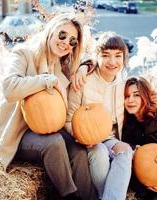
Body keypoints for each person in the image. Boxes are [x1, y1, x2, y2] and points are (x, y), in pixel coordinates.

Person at [0, 13, 98, 200]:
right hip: (18, 132)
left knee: (78, 150)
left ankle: (89, 197)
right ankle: (70, 197)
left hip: (48, 128)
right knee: (55, 143)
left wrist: (85, 66)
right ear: (51, 30)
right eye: (62, 35)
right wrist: (48, 80)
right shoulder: (24, 53)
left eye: (72, 41)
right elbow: (9, 88)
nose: (66, 43)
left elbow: (92, 59)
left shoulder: (63, 64)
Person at [66, 32, 133, 200]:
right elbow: (68, 119)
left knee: (125, 151)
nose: (112, 62)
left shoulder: (121, 82)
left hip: (109, 137)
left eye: (118, 56)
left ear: (124, 58)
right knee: (100, 152)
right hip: (84, 138)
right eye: (106, 55)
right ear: (97, 57)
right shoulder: (83, 80)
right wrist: (81, 136)